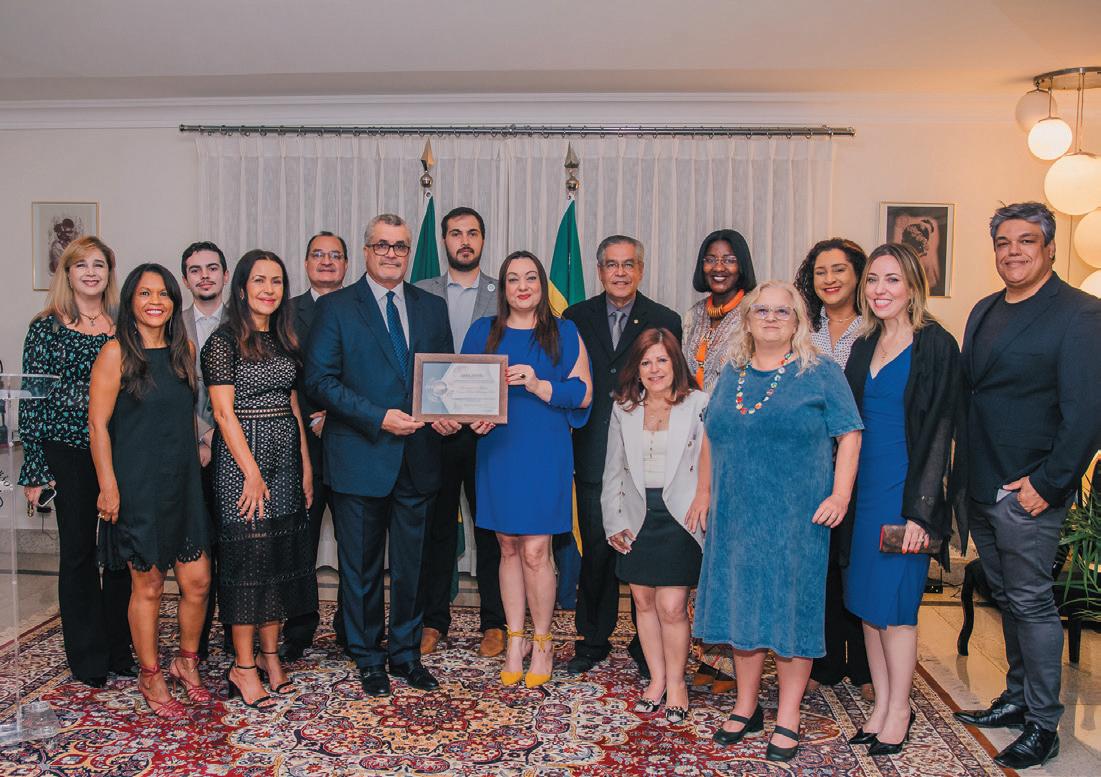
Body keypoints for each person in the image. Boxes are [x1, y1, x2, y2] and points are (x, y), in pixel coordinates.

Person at [954, 202, 1101, 770]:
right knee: (1006, 599)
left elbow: (1087, 413)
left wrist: (1048, 483)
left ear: (1050, 248)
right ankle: (1016, 698)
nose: (1012, 251)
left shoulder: (1080, 314)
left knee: (1033, 605)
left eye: (1026, 241)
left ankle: (1043, 724)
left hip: (1029, 491)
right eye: (1003, 242)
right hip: (982, 481)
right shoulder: (985, 309)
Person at [694, 281, 861, 762]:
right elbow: (711, 436)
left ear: (798, 321)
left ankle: (788, 715)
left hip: (795, 520)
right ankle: (746, 706)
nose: (771, 318)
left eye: (782, 311)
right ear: (747, 320)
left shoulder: (821, 372)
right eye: (762, 310)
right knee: (742, 611)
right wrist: (704, 492)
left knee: (791, 615)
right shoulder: (733, 371)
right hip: (736, 517)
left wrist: (840, 495)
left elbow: (850, 434)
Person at [305, 214, 457, 698]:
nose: (392, 254)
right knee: (361, 569)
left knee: (412, 568)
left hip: (419, 457)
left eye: (400, 246)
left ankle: (406, 654)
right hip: (360, 455)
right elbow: (319, 381)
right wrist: (378, 417)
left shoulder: (431, 307)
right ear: (367, 251)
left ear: (409, 252)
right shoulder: (337, 307)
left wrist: (447, 413)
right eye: (382, 245)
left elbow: (443, 378)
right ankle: (368, 656)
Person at [841, 244, 960, 755]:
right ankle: (881, 705)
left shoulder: (936, 345)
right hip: (863, 494)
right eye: (873, 279)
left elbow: (940, 432)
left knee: (897, 608)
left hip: (906, 495)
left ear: (912, 285)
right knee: (869, 607)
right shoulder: (864, 344)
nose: (880, 289)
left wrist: (921, 513)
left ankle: (901, 710)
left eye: (891, 279)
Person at [462, 251, 592, 688]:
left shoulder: (565, 331)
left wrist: (539, 384)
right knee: (506, 546)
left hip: (544, 450)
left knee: (537, 550)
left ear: (541, 285)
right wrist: (473, 418)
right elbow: (462, 389)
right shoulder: (483, 331)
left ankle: (543, 640)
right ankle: (515, 640)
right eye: (513, 279)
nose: (522, 286)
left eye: (530, 278)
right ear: (503, 287)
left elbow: (583, 393)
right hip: (498, 448)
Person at [88, 264, 212, 718]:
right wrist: (107, 485)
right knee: (150, 584)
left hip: (183, 483)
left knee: (198, 581)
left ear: (174, 302)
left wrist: (202, 444)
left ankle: (186, 662)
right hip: (138, 485)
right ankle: (150, 673)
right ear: (131, 301)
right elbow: (97, 425)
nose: (155, 301)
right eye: (145, 293)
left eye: (163, 294)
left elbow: (181, 415)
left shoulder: (184, 351)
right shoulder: (115, 353)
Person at [202, 249, 318, 710]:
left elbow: (293, 406)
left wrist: (305, 466)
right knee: (248, 566)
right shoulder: (223, 342)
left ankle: (271, 658)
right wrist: (250, 473)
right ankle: (243, 666)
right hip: (241, 463)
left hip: (285, 459)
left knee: (277, 562)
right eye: (259, 280)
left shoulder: (285, 338)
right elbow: (223, 413)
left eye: (276, 281)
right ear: (242, 288)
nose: (269, 289)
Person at [563, 235, 681, 679]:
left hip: (648, 453)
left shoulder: (664, 319)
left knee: (643, 552)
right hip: (594, 449)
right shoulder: (576, 317)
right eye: (611, 265)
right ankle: (592, 639)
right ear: (599, 271)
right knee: (596, 549)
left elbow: (673, 383)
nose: (620, 272)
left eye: (628, 264)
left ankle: (643, 645)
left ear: (641, 270)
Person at [18, 236, 134, 687]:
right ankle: (88, 656)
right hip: (66, 452)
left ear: (109, 273)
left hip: (119, 451)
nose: (91, 272)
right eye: (81, 265)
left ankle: (120, 649)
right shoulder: (45, 328)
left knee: (121, 554)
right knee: (80, 553)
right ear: (66, 273)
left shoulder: (124, 327)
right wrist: (35, 470)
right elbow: (31, 402)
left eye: (99, 264)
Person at [602, 328, 709, 724]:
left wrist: (705, 498)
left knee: (671, 605)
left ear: (675, 362)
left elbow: (712, 460)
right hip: (636, 514)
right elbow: (613, 470)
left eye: (661, 360)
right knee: (643, 602)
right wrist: (612, 521)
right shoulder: (624, 408)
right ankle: (658, 679)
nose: (654, 369)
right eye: (646, 362)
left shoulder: (698, 403)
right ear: (637, 369)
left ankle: (678, 683)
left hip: (680, 515)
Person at [415, 207, 506, 658]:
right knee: (436, 528)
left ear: (483, 240)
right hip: (434, 431)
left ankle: (495, 622)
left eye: (472, 233)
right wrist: (431, 412)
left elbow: (512, 355)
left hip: (488, 433)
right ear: (444, 240)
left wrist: (494, 408)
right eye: (455, 233)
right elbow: (411, 359)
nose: (464, 240)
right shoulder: (419, 291)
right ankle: (433, 620)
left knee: (491, 527)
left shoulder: (503, 293)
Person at [794, 237, 872, 701]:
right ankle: (825, 662)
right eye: (820, 271)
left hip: (863, 457)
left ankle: (863, 665)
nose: (829, 279)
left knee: (855, 562)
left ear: (858, 275)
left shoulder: (875, 328)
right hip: (812, 462)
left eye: (839, 269)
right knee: (819, 565)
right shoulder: (805, 330)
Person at [681, 228, 757, 693]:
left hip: (737, 444)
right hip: (693, 443)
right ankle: (705, 654)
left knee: (731, 552)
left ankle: (733, 658)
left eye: (729, 259)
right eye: (711, 258)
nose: (719, 267)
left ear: (741, 265)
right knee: (700, 549)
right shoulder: (693, 315)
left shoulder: (756, 314)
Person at [280, 231, 349, 662]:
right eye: (318, 255)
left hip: (351, 443)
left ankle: (350, 628)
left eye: (335, 255)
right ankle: (299, 628)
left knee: (354, 544)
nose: (326, 261)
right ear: (306, 263)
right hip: (298, 446)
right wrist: (310, 416)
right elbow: (278, 374)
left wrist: (335, 414)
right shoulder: (284, 312)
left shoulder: (360, 307)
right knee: (299, 543)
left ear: (346, 264)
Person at [179, 240, 230, 660]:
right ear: (186, 279)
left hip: (237, 449)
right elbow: (168, 390)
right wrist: (202, 435)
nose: (205, 276)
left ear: (225, 275)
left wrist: (221, 437)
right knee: (198, 547)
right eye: (196, 270)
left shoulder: (244, 321)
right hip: (188, 451)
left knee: (234, 546)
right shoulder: (170, 324)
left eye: (212, 268)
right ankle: (196, 643)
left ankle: (235, 635)